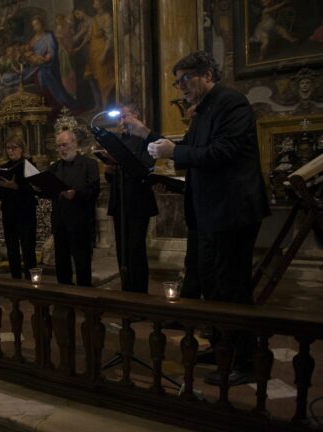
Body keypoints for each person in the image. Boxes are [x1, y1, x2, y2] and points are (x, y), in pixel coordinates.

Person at [147, 50, 270, 386]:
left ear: (206, 74)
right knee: (211, 283)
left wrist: (175, 152)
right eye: (177, 81)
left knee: (232, 287)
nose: (180, 87)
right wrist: (162, 148)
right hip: (208, 211)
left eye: (184, 79)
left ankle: (244, 360)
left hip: (232, 210)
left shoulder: (233, 103)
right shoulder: (202, 111)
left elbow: (222, 152)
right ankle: (221, 347)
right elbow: (190, 154)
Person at [98, 104, 158, 293]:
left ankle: (139, 296)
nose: (121, 121)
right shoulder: (117, 141)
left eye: (124, 117)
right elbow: (113, 177)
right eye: (119, 118)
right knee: (122, 252)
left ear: (136, 117)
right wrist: (109, 168)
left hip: (138, 201)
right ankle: (126, 292)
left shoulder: (145, 139)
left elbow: (146, 167)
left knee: (135, 251)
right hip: (120, 201)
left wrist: (119, 161)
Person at [46, 130, 100, 286]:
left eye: (64, 145)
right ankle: (64, 295)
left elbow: (94, 190)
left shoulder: (90, 165)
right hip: (60, 222)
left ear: (74, 143)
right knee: (62, 263)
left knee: (82, 263)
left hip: (81, 222)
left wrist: (76, 194)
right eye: (58, 146)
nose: (61, 149)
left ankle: (84, 296)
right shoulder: (54, 168)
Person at [0, 136, 38, 279]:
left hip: (26, 211)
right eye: (8, 148)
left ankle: (32, 280)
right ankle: (15, 280)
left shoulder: (29, 165)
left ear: (21, 149)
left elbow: (36, 189)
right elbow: (2, 192)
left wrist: (16, 186)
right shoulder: (3, 167)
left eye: (14, 147)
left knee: (27, 248)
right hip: (9, 211)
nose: (11, 151)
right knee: (12, 248)